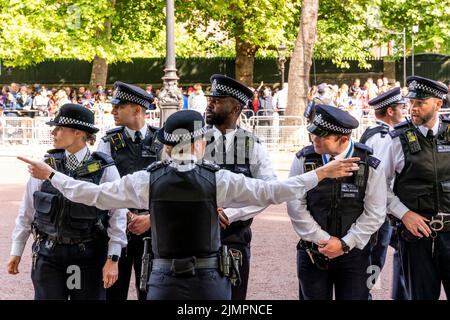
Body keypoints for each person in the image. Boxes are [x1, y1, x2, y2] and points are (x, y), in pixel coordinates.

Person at [18, 109, 361, 300]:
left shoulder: (146, 181)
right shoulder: (218, 181)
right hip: (210, 278)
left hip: (163, 279)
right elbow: (274, 191)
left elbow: (88, 195)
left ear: (167, 146)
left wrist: (51, 174)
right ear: (199, 143)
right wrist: (323, 173)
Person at [7, 103, 127, 300]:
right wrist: (16, 250)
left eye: (60, 128)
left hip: (88, 257)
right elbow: (27, 212)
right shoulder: (44, 165)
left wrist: (113, 258)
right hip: (48, 255)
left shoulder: (105, 169)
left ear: (78, 132)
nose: (54, 132)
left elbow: (118, 217)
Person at [287, 105, 387, 300]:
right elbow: (295, 206)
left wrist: (345, 244)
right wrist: (323, 239)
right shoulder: (303, 160)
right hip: (313, 252)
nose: (313, 138)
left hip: (355, 256)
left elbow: (375, 212)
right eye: (313, 133)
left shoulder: (369, 164)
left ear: (343, 139)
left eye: (321, 136)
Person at [203, 74, 277, 300]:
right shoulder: (196, 141)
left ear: (235, 108)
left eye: (217, 100)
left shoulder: (252, 145)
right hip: (197, 236)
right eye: (210, 99)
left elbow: (269, 189)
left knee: (235, 299)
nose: (209, 104)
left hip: (235, 236)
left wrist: (233, 214)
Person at [384, 75, 450, 300]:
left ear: (438, 104)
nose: (412, 108)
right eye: (411, 102)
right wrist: (405, 214)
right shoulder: (397, 140)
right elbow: (379, 188)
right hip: (416, 237)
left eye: (420, 103)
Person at [97, 81, 162, 300]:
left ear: (136, 109)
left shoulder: (162, 141)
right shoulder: (108, 142)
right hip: (117, 227)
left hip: (154, 230)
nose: (113, 111)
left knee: (151, 293)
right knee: (113, 293)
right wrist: (124, 213)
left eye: (119, 106)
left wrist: (150, 218)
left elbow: (172, 187)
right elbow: (102, 185)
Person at [361, 86, 408, 300]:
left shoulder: (377, 133)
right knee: (374, 260)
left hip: (381, 210)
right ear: (390, 111)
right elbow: (380, 179)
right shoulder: (382, 138)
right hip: (378, 211)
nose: (404, 111)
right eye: (401, 107)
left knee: (395, 252)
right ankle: (367, 294)